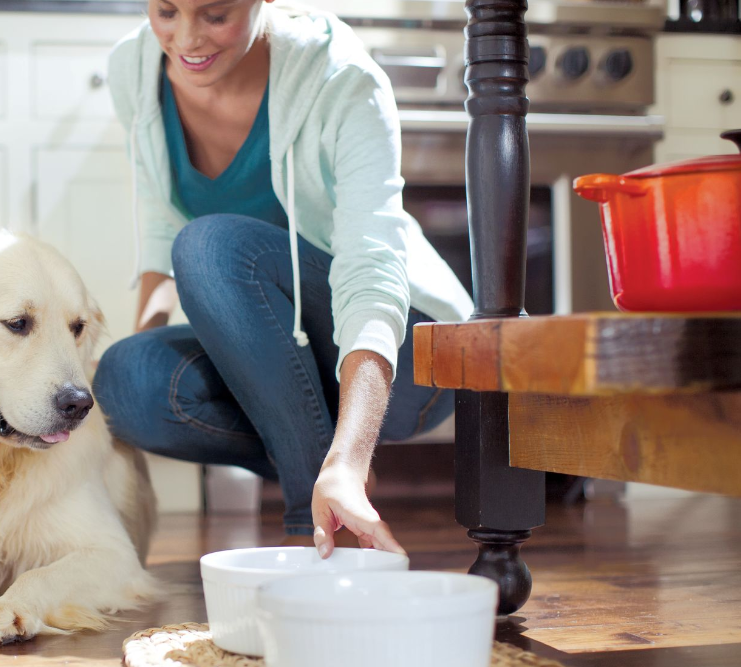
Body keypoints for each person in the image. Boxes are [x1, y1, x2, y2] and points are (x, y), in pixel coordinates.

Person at [92, 0, 473, 557]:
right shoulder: (134, 67)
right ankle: (326, 480)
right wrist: (143, 340)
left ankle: (313, 528)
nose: (187, 39)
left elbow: (371, 266)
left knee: (210, 247)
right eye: (166, 11)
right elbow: (160, 218)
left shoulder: (342, 77)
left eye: (215, 15)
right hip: (277, 359)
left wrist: (351, 453)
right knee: (126, 380)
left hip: (407, 355)